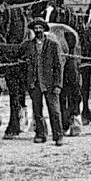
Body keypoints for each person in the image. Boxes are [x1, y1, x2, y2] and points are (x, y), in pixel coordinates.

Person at [26, 17, 64, 145]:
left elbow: (59, 66)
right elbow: (13, 50)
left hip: (51, 83)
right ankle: (40, 134)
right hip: (35, 83)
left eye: (40, 28)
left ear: (44, 30)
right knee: (37, 111)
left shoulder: (53, 45)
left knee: (54, 111)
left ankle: (58, 136)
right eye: (36, 28)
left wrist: (58, 84)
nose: (38, 30)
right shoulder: (29, 45)